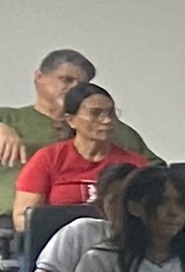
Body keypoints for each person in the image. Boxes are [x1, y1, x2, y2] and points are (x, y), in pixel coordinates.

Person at [10, 79, 145, 231]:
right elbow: (22, 218)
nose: (107, 120)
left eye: (111, 113)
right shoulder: (49, 158)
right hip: (59, 238)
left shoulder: (134, 164)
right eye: (96, 113)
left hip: (116, 238)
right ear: (71, 120)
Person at [0, 46, 144, 173]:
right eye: (66, 80)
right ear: (39, 77)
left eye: (81, 84)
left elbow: (152, 172)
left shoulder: (107, 126)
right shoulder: (7, 118)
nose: (74, 88)